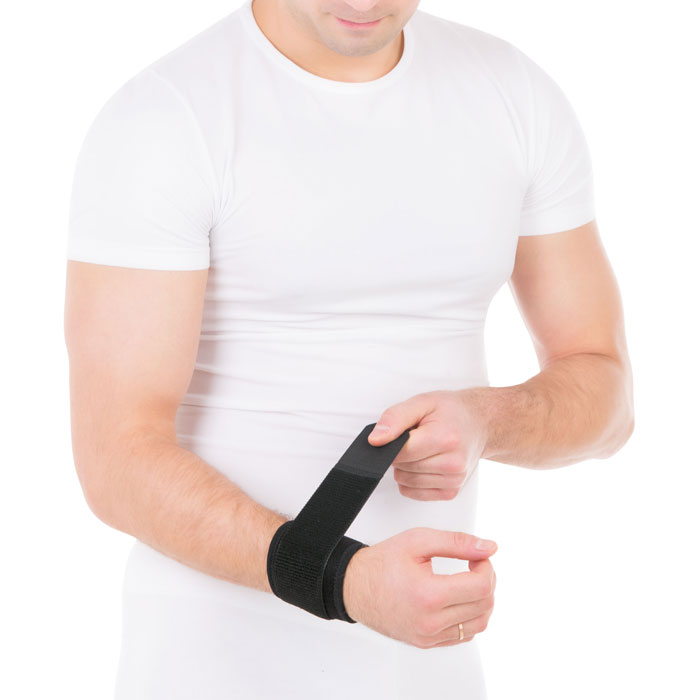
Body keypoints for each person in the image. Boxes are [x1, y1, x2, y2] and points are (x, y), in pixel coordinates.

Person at [63, 0, 634, 698]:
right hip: (214, 668)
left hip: (430, 667)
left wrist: (489, 420)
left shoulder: (513, 93)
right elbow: (114, 457)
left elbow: (606, 393)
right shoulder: (167, 118)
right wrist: (342, 578)